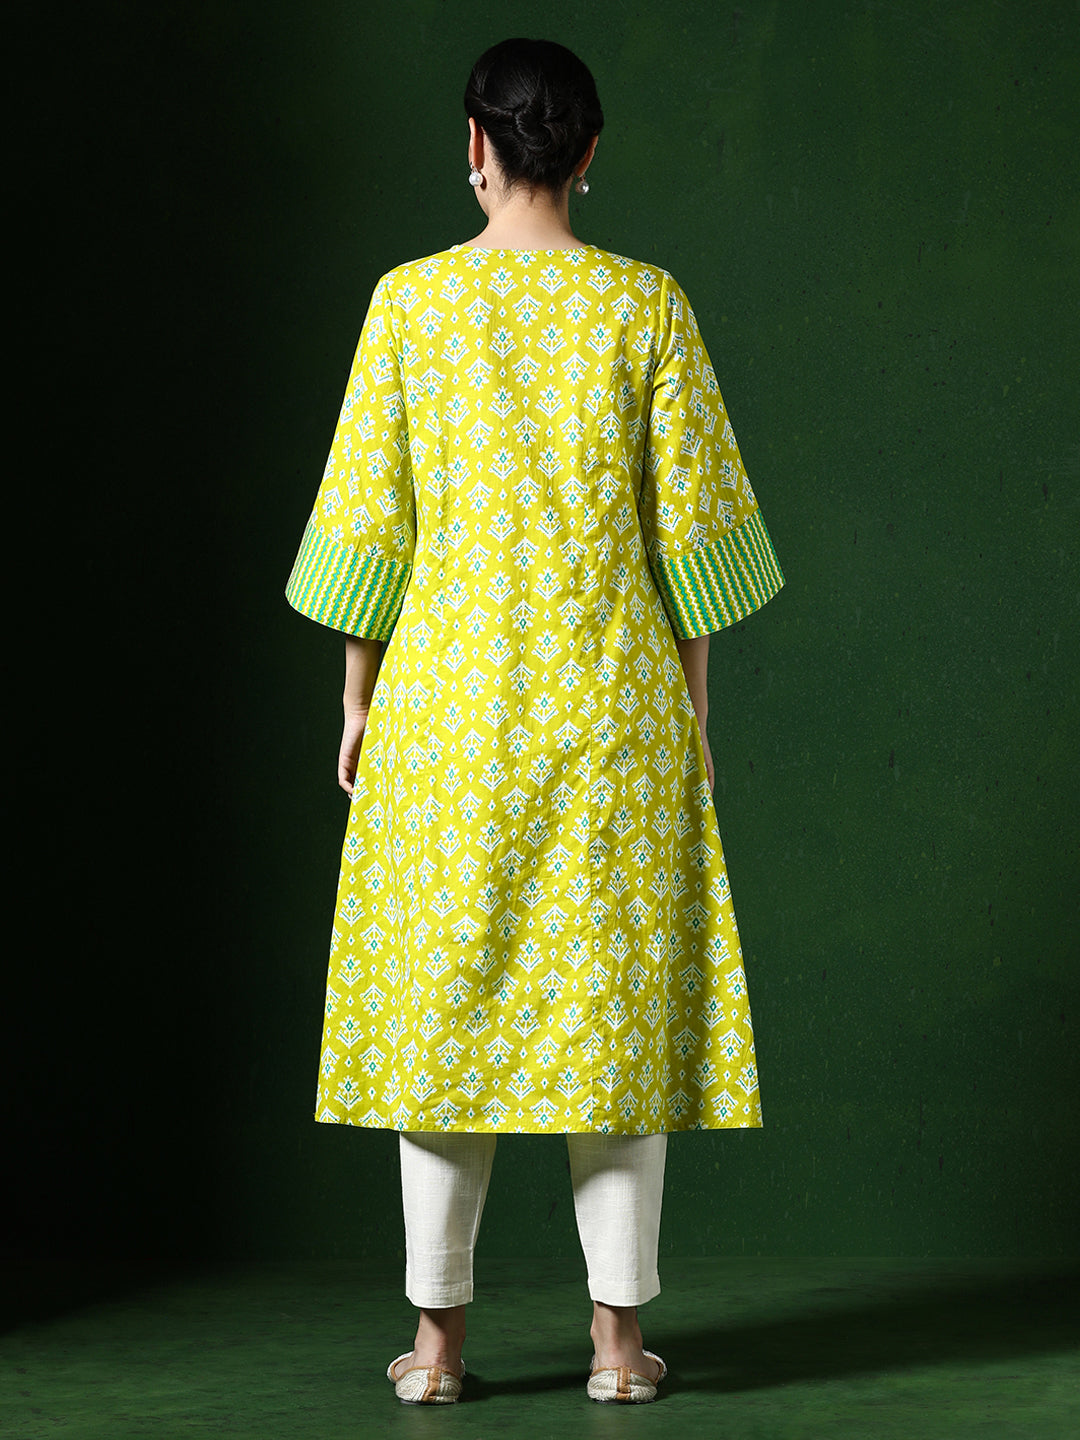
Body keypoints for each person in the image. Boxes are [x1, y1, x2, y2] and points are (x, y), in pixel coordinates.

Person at [285, 36, 785, 1407]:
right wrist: (692, 717)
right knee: (612, 1023)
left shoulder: (410, 305)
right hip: (613, 712)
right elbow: (695, 550)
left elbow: (367, 529)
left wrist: (357, 699)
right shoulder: (646, 307)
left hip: (446, 714)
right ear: (590, 151)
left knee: (440, 1018)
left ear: (475, 145)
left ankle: (438, 1350)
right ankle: (618, 1350)